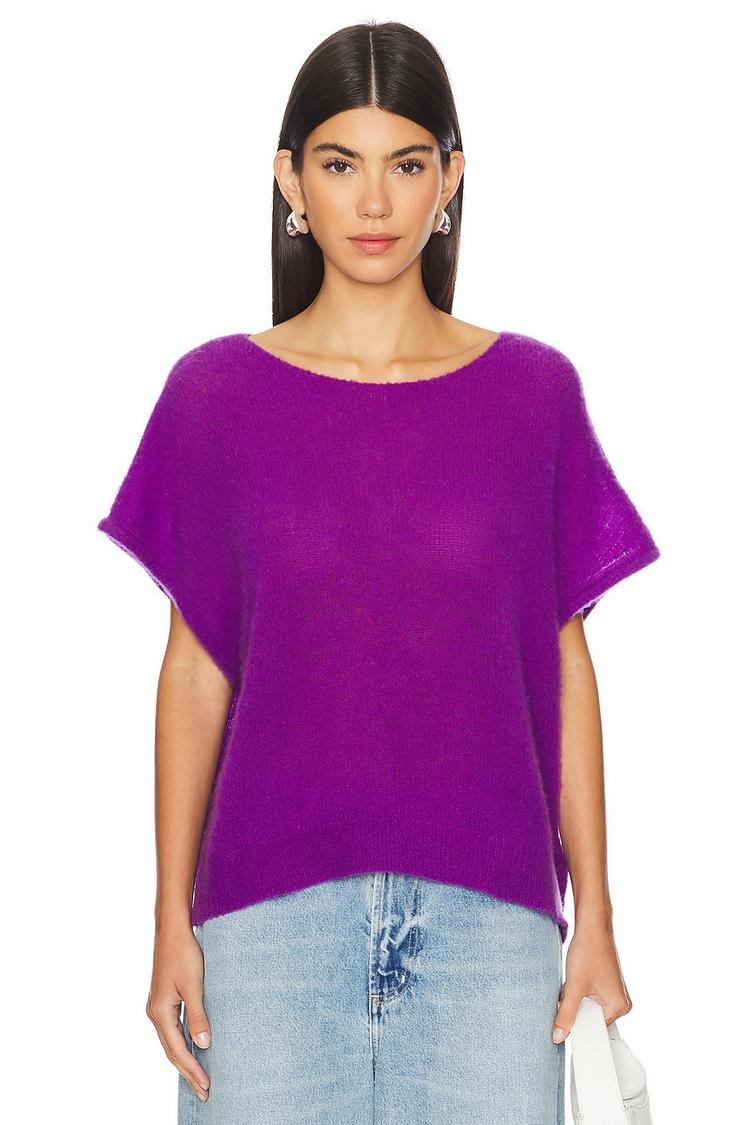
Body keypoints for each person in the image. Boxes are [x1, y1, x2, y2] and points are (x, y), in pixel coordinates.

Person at [96, 20, 661, 1125]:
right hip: (264, 933)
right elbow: (195, 671)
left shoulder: (532, 395)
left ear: (449, 178)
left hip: (492, 937)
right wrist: (169, 919)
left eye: (405, 165)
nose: (372, 202)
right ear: (290, 181)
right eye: (339, 164)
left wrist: (595, 911)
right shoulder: (214, 398)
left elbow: (563, 662)